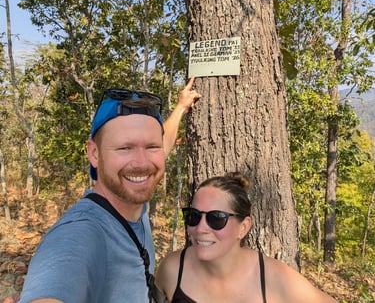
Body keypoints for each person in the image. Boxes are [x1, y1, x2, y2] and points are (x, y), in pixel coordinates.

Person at [16, 78, 201, 303]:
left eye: (151, 147)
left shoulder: (130, 197)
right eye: (125, 148)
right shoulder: (81, 233)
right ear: (94, 153)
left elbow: (163, 145)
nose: (142, 163)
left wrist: (181, 107)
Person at [155, 172, 338, 303]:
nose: (201, 228)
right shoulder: (172, 269)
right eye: (193, 216)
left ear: (243, 227)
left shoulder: (275, 279)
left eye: (216, 218)